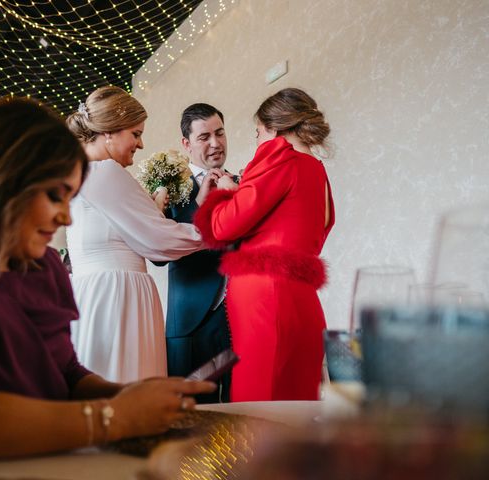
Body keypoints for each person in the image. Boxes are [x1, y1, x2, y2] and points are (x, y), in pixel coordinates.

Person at [0, 97, 215, 461]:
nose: (65, 217)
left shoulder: (44, 267)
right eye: (55, 195)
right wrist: (111, 418)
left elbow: (65, 372)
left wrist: (127, 395)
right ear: (0, 182)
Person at [194, 88, 335, 401]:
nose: (258, 141)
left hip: (266, 298)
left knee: (259, 399)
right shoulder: (318, 172)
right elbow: (321, 227)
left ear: (275, 129)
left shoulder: (278, 156)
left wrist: (228, 191)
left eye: (258, 132)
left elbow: (221, 226)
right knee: (297, 397)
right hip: (302, 298)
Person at [65, 86, 204, 383]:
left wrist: (151, 208)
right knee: (126, 387)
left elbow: (117, 230)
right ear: (110, 132)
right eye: (135, 133)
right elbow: (159, 242)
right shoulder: (105, 172)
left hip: (93, 293)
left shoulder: (80, 172)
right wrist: (216, 228)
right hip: (118, 295)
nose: (140, 144)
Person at [163, 104, 234, 403]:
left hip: (238, 317)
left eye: (219, 133)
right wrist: (200, 208)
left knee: (242, 412)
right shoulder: (168, 189)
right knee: (191, 419)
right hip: (191, 322)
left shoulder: (241, 183)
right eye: (204, 137)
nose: (215, 143)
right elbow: (159, 253)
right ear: (186, 143)